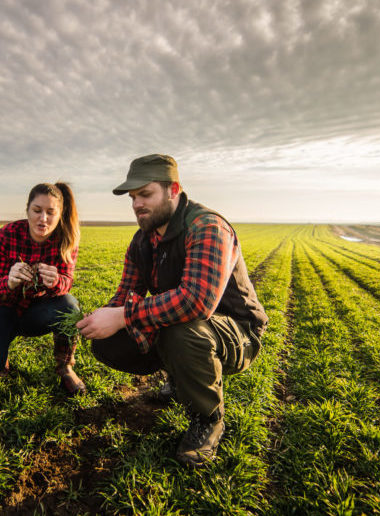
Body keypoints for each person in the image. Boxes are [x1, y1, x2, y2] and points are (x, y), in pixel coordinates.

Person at [76, 154, 268, 466]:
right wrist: (100, 317)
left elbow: (197, 301)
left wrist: (124, 316)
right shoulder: (142, 241)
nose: (137, 204)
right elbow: (127, 293)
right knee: (108, 340)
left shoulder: (207, 227)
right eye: (133, 197)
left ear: (173, 190)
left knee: (181, 326)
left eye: (145, 194)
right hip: (185, 324)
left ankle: (209, 419)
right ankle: (178, 379)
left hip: (238, 331)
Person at [0, 182, 86, 395]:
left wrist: (56, 281)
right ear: (27, 210)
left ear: (60, 214)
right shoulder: (7, 235)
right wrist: (9, 282)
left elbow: (67, 282)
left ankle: (65, 366)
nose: (43, 219)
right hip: (2, 307)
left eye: (51, 212)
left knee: (70, 306)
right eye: (37, 211)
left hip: (36, 312)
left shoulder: (66, 239)